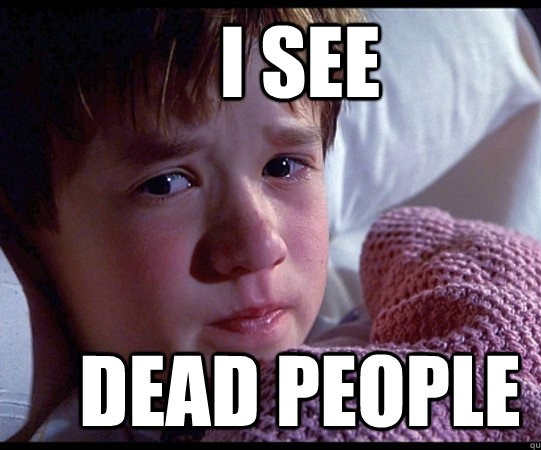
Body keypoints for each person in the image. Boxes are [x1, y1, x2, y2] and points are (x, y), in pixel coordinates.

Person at [0, 8, 363, 441]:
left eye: (283, 166)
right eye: (165, 184)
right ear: (29, 223)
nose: (259, 246)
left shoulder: (382, 320)